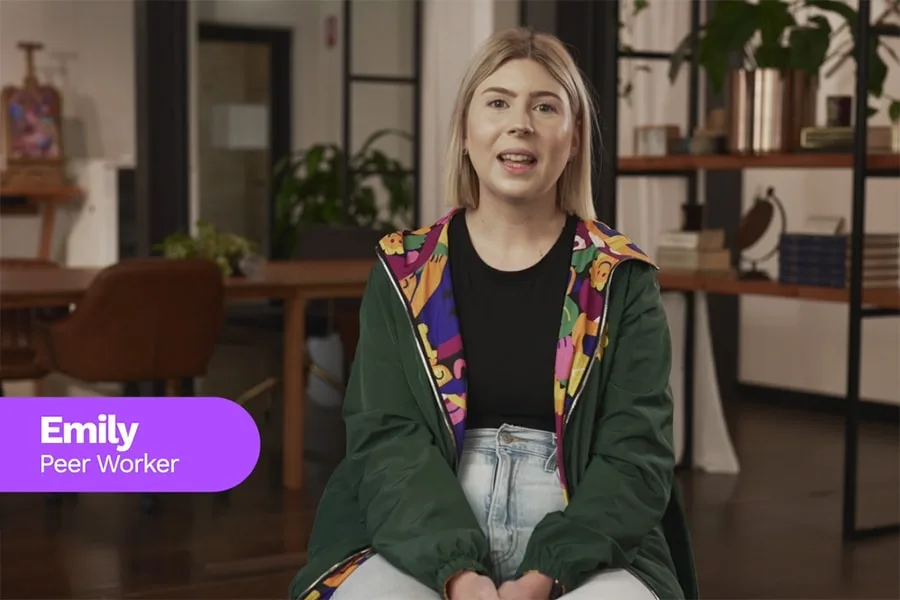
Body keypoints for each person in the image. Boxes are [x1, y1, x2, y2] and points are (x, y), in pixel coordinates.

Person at [289, 27, 697, 600]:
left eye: (545, 107)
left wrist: (546, 573)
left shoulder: (620, 278)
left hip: (585, 538)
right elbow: (386, 440)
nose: (520, 123)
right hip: (419, 529)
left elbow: (636, 454)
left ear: (574, 139)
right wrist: (458, 574)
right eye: (498, 102)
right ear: (464, 130)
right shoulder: (403, 270)